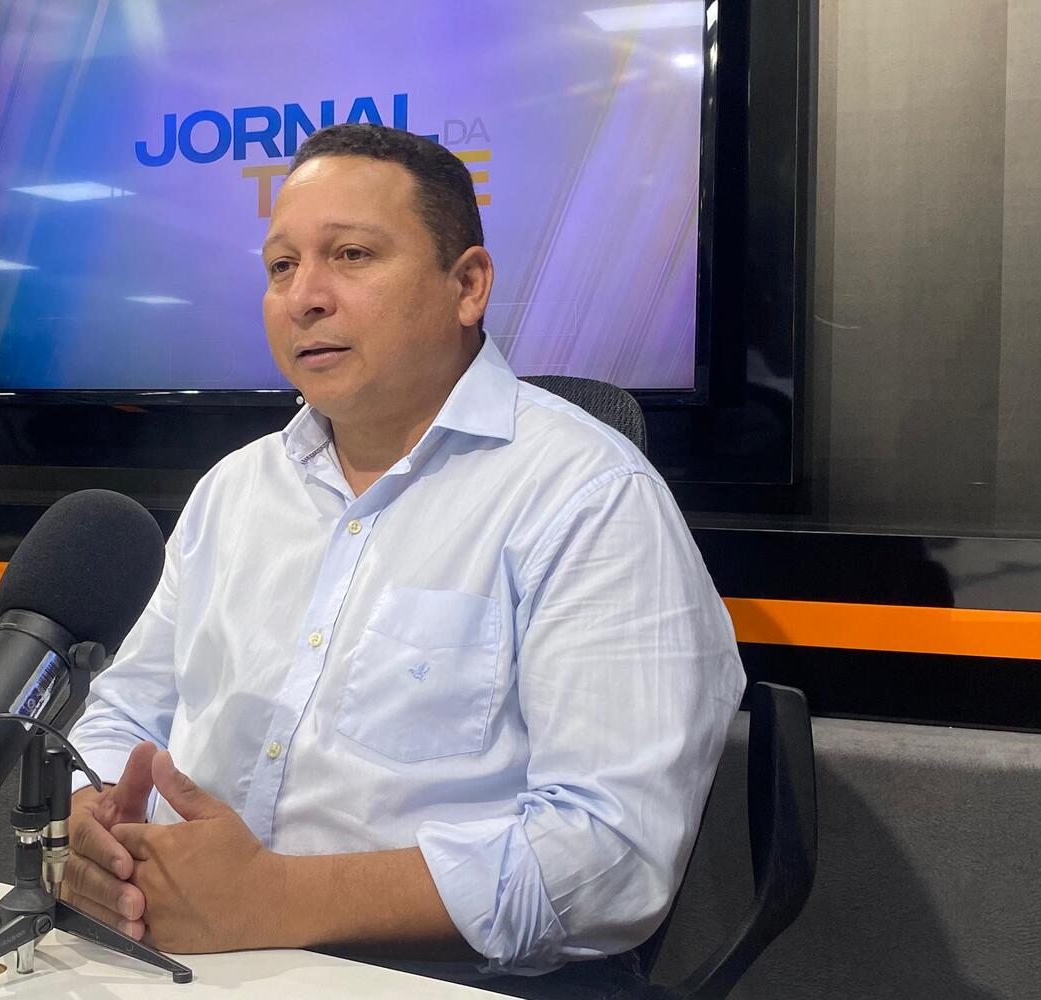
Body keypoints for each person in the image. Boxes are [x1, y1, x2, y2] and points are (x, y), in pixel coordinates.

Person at [64, 123, 744, 993]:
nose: (304, 297)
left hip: (447, 978)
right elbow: (127, 711)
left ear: (468, 285)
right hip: (184, 952)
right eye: (281, 266)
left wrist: (274, 899)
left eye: (351, 255)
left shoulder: (589, 495)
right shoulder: (234, 490)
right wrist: (89, 815)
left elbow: (612, 857)